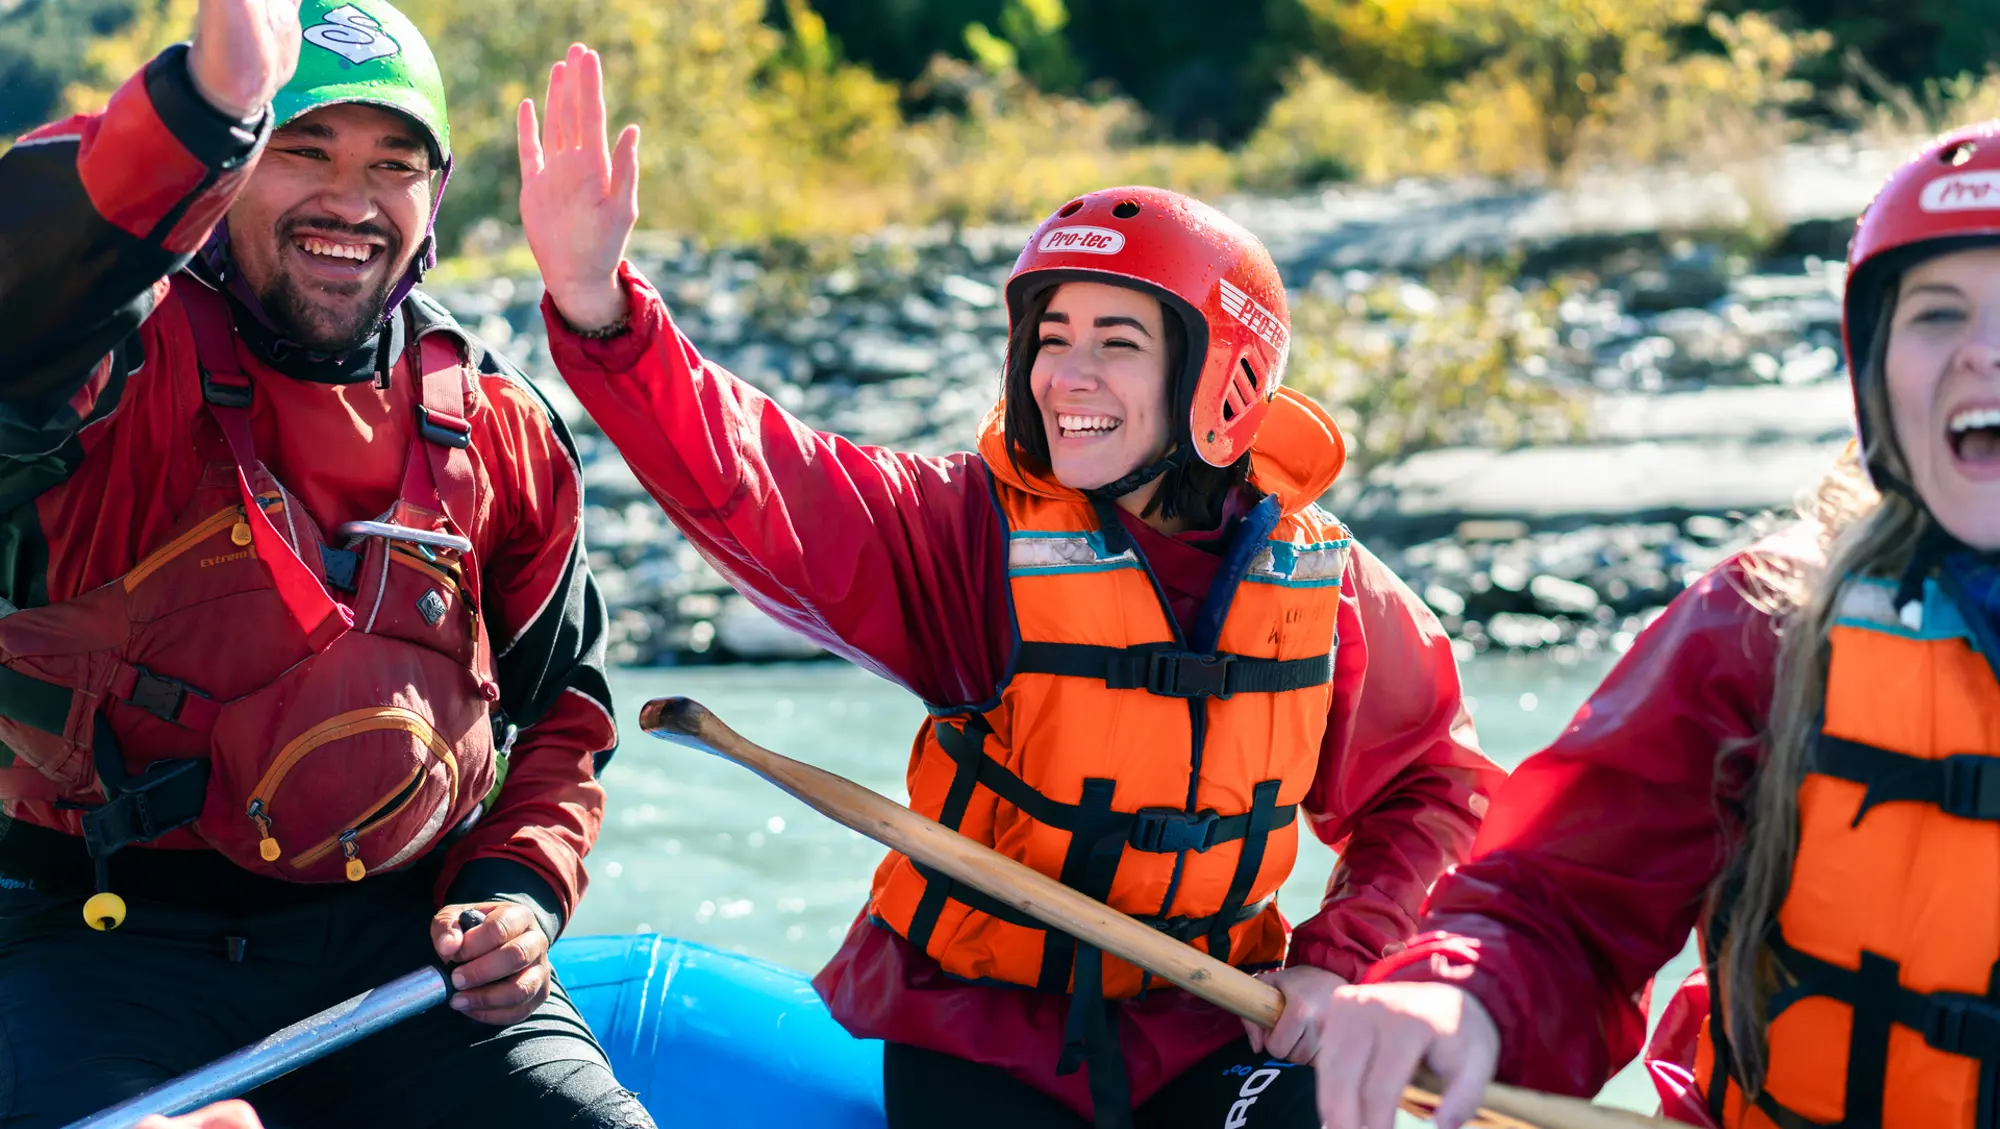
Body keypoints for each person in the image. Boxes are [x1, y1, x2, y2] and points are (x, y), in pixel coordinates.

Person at [517, 44, 1502, 1129]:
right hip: (983, 1034)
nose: (1065, 374)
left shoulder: (1325, 582)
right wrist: (601, 311)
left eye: (1116, 342)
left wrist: (1337, 959)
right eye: (1051, 337)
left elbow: (1432, 785)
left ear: (1225, 380)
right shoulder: (967, 536)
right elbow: (762, 480)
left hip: (1212, 1021)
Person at [0, 1, 649, 1125]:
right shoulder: (110, 371)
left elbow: (561, 713)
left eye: (394, 165)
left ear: (433, 201)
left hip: (404, 954)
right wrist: (196, 116)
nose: (351, 201)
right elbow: (30, 289)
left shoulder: (499, 425)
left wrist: (517, 893)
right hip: (100, 941)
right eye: (304, 151)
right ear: (228, 179)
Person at [1309, 120, 2000, 1129]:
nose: (1983, 352)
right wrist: (1458, 989)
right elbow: (1558, 904)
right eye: (1937, 314)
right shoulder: (1767, 624)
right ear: (1873, 374)